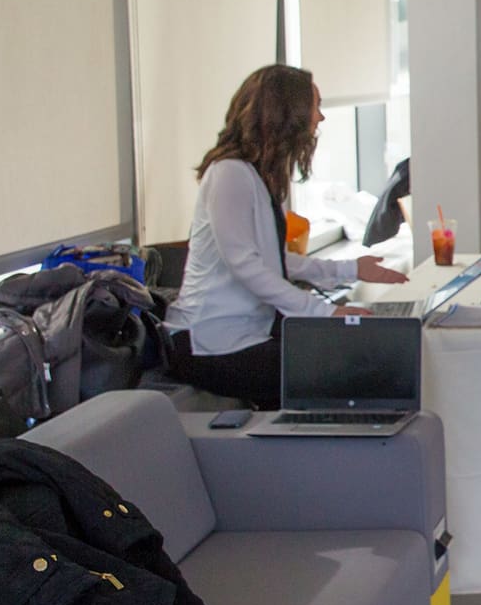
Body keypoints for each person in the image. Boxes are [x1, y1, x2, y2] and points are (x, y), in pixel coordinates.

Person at [164, 66, 407, 408]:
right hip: (209, 340)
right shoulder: (229, 175)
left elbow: (272, 261)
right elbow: (247, 268)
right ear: (286, 113)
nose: (320, 117)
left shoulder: (259, 176)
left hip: (247, 331)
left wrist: (351, 270)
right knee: (344, 370)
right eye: (315, 106)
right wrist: (324, 313)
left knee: (363, 352)